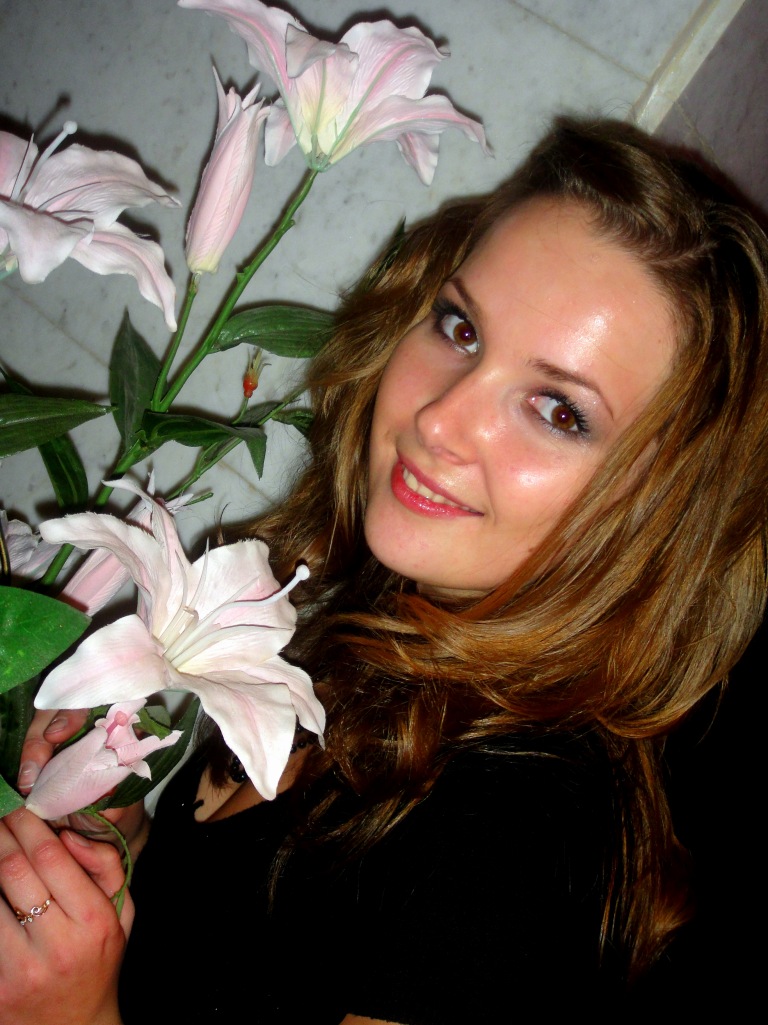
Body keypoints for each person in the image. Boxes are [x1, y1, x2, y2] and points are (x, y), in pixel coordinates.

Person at [1, 115, 767, 1023]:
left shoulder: (508, 848)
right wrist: (109, 852)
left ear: (663, 509)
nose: (439, 419)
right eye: (460, 327)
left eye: (558, 410)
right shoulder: (379, 618)